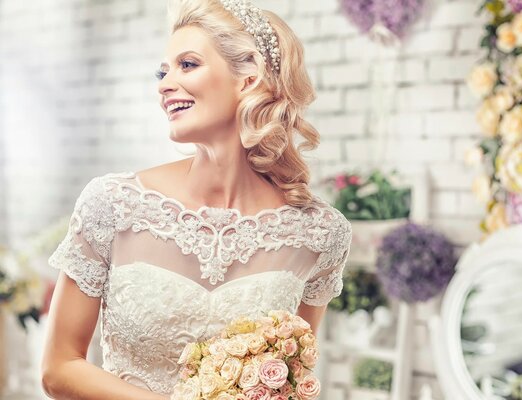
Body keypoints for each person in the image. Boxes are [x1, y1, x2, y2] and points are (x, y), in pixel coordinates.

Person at [41, 0, 352, 398]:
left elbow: (291, 381)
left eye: (187, 65)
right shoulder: (112, 204)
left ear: (248, 80)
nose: (165, 83)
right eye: (163, 70)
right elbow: (59, 367)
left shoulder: (319, 234)